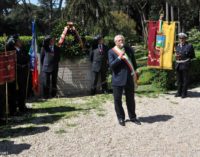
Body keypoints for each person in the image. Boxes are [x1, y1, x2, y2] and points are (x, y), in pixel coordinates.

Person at [108, 34, 141, 126]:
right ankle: (121, 118)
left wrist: (136, 72)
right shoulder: (111, 51)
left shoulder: (129, 49)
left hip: (129, 78)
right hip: (117, 79)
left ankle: (133, 117)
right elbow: (111, 66)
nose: (121, 41)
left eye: (122, 40)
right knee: (117, 100)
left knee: (130, 99)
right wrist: (119, 58)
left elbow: (134, 62)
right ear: (115, 42)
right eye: (119, 40)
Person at [6, 34, 30, 115]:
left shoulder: (22, 49)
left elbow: (27, 58)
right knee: (13, 92)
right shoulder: (11, 51)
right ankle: (13, 110)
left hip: (23, 73)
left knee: (22, 91)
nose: (20, 41)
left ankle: (22, 107)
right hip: (15, 74)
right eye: (18, 40)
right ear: (15, 42)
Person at [175, 32, 195, 98]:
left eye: (182, 38)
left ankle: (184, 93)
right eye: (180, 38)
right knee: (179, 80)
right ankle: (179, 92)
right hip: (178, 64)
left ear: (185, 38)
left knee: (185, 80)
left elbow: (192, 56)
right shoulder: (177, 46)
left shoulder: (189, 46)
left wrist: (186, 60)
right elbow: (176, 54)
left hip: (185, 64)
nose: (181, 39)